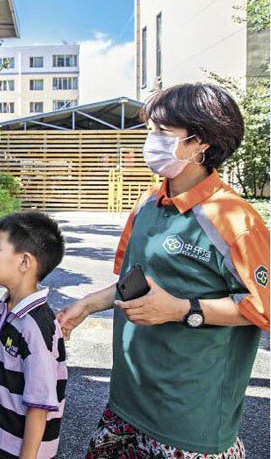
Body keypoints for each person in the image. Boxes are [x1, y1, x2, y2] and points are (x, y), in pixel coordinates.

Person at [58, 83, 270, 459]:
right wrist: (89, 304)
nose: (150, 140)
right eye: (150, 130)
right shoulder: (148, 203)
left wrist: (182, 309)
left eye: (162, 132)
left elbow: (263, 307)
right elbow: (135, 279)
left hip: (191, 423)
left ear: (199, 143)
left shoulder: (235, 219)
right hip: (128, 401)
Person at [0, 212, 67, 459]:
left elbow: (39, 405)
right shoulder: (3, 306)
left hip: (17, 451)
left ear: (24, 262)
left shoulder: (36, 326)